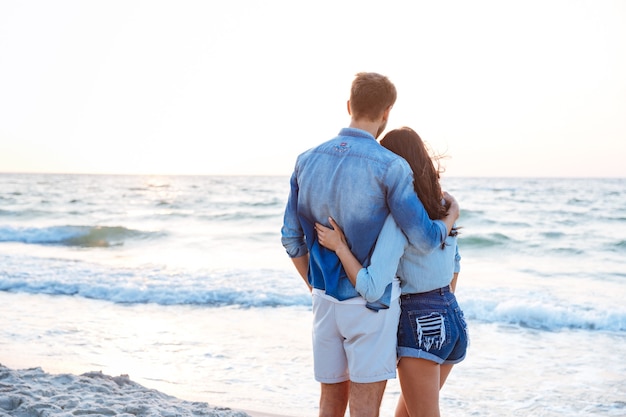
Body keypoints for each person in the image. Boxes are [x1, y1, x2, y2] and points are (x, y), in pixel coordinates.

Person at [281, 73, 460, 417]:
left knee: (329, 403)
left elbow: (291, 238)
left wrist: (314, 286)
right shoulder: (391, 166)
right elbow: (423, 239)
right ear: (387, 113)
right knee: (365, 409)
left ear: (349, 106)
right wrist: (450, 218)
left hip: (324, 301)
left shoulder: (305, 160)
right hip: (370, 306)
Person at [315, 126, 468, 417]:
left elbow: (372, 287)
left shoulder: (400, 218)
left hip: (421, 325)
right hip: (452, 320)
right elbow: (455, 267)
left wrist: (340, 247)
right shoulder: (443, 210)